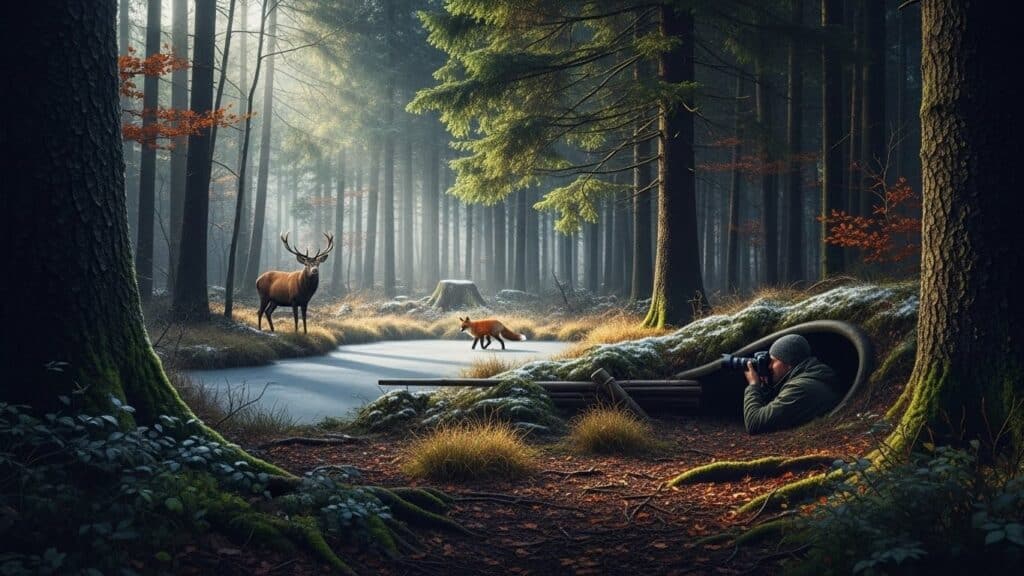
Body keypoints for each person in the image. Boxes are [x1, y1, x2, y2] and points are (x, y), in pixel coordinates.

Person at [742, 334, 842, 434]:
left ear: (789, 363)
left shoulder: (800, 388)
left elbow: (754, 423)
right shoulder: (812, 377)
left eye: (773, 361)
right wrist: (765, 386)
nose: (769, 366)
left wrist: (753, 385)